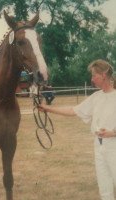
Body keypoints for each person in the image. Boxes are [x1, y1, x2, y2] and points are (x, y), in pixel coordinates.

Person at [39, 59, 116, 200]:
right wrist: (48, 109)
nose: (92, 79)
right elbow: (73, 110)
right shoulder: (96, 97)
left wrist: (113, 133)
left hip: (114, 146)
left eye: (94, 75)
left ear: (104, 75)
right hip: (99, 146)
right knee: (105, 190)